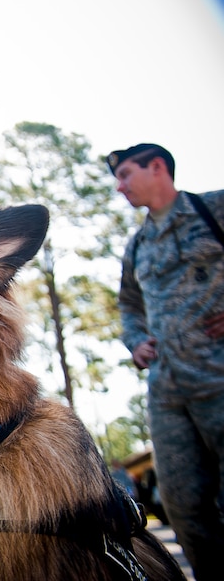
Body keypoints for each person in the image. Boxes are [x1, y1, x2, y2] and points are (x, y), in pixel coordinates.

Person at [109, 142, 224, 581]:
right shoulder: (138, 244)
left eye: (126, 175)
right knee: (183, 505)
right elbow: (128, 305)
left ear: (158, 167)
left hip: (220, 378)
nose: (120, 187)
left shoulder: (212, 209)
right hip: (168, 393)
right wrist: (135, 341)